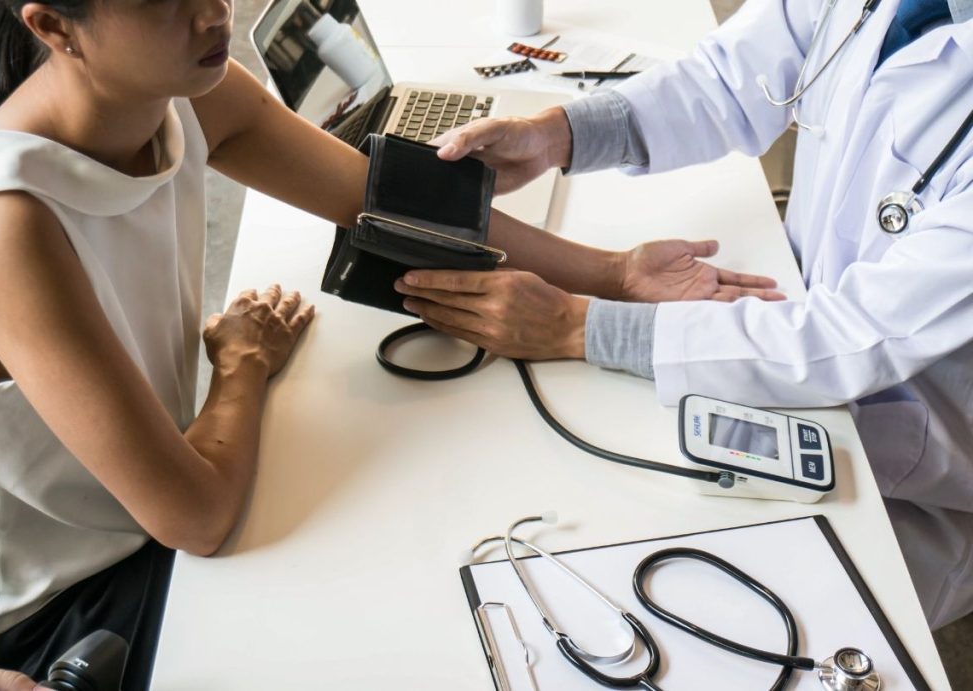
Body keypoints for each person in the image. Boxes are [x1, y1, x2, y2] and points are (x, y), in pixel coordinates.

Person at [0, 0, 780, 678]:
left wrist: (611, 273)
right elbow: (193, 515)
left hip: (173, 490)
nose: (212, 15)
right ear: (54, 28)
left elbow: (385, 200)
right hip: (80, 606)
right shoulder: (3, 230)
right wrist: (241, 366)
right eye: (167, 0)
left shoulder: (190, 95)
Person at [396, 0, 973, 629]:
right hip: (794, 342)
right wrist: (557, 134)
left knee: (726, 622)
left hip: (922, 473)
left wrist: (577, 327)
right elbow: (727, 78)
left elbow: (855, 336)